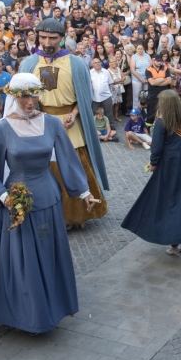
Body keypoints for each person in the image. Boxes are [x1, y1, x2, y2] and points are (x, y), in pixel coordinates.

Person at [0, 73, 98, 333]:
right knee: (23, 260)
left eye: (34, 95)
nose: (30, 101)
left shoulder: (51, 124)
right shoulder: (0, 130)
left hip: (49, 200)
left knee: (48, 253)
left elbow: (67, 159)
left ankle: (52, 304)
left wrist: (84, 192)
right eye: (23, 96)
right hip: (17, 205)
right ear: (13, 96)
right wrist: (4, 197)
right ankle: (27, 313)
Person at [19, 18, 109, 228]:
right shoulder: (29, 63)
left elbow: (85, 96)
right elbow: (23, 96)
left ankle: (77, 215)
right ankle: (48, 215)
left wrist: (75, 113)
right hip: (40, 122)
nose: (47, 42)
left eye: (52, 38)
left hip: (70, 123)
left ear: (61, 39)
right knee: (46, 170)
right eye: (43, 37)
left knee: (75, 166)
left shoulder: (76, 63)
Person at [121, 90, 181, 255]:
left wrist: (153, 163)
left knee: (169, 200)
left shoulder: (161, 121)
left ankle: (173, 243)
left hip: (169, 161)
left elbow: (156, 146)